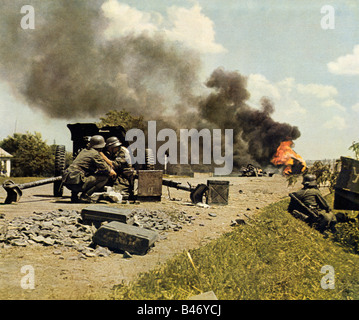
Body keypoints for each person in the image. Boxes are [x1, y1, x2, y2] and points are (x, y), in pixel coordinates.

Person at [62, 135, 116, 203]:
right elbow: (106, 170)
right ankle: (85, 196)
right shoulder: (95, 154)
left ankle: (74, 197)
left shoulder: (84, 151)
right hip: (77, 182)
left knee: (81, 173)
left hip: (68, 182)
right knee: (104, 177)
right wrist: (112, 172)